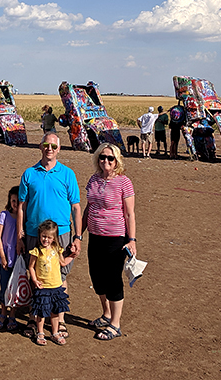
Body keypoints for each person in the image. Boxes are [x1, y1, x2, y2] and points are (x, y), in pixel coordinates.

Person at [17, 132, 82, 339]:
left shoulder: (67, 174)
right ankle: (33, 315)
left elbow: (76, 207)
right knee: (35, 273)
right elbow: (21, 206)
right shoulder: (29, 173)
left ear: (59, 149)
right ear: (40, 146)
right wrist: (20, 233)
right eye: (46, 145)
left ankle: (59, 319)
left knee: (60, 275)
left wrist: (78, 236)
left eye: (54, 146)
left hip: (61, 233)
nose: (50, 149)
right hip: (34, 233)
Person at [83, 143, 136, 341]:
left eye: (110, 158)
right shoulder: (94, 180)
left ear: (117, 161)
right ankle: (106, 314)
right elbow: (89, 208)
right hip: (95, 236)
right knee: (97, 278)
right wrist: (79, 234)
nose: (106, 161)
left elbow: (130, 214)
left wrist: (132, 240)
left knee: (113, 279)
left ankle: (115, 324)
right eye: (102, 157)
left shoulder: (124, 182)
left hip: (116, 239)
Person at [27, 220, 73, 346]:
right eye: (43, 236)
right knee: (41, 312)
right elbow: (31, 267)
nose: (45, 239)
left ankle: (54, 332)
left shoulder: (57, 249)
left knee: (55, 311)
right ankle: (40, 332)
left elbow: (63, 263)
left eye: (49, 237)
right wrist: (35, 280)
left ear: (54, 238)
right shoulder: (36, 251)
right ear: (39, 235)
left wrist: (73, 255)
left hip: (56, 286)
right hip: (43, 287)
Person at [0, 185, 20, 331]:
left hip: (19, 259)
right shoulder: (4, 215)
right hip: (5, 257)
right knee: (4, 286)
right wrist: (2, 256)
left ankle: (13, 315)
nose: (15, 203)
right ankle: (3, 313)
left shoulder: (25, 217)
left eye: (18, 200)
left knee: (15, 288)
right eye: (13, 200)